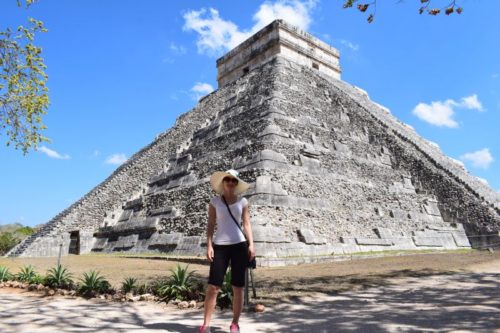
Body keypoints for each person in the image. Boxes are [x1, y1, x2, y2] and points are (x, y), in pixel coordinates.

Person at [198, 169, 255, 333]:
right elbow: (210, 225)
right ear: (223, 182)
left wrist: (251, 244)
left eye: (233, 180)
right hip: (220, 246)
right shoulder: (214, 202)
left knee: (238, 287)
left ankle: (235, 323)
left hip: (239, 245)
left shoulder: (243, 202)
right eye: (228, 179)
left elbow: (247, 224)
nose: (230, 182)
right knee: (213, 287)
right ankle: (206, 324)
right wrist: (209, 245)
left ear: (236, 184)